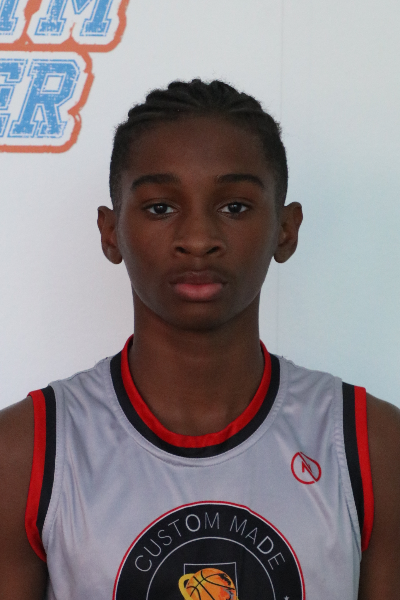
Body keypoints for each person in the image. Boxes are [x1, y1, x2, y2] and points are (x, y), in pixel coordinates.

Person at [0, 79, 399, 600]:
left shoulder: (372, 446)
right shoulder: (25, 452)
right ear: (110, 232)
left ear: (286, 228)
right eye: (160, 208)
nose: (197, 239)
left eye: (234, 207)